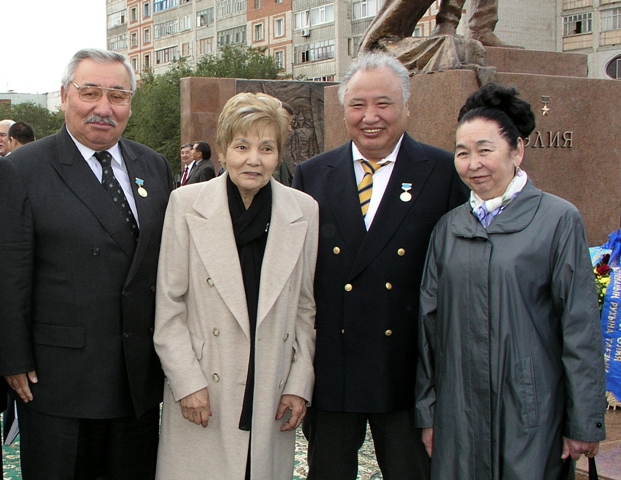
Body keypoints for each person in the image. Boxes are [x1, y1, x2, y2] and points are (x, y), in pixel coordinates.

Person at [415, 83, 606, 479]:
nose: (473, 163)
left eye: (485, 150)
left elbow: (580, 326)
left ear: (516, 150)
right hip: (459, 414)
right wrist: (427, 412)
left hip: (532, 411)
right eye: (463, 153)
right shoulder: (449, 229)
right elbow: (428, 330)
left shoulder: (557, 220)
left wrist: (584, 421)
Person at [292, 51, 467, 480]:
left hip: (406, 372)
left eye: (384, 103)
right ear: (344, 109)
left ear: (407, 107)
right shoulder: (311, 175)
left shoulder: (443, 173)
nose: (371, 116)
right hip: (334, 370)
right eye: (358, 105)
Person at [0, 48, 173, 480]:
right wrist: (12, 356)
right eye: (90, 92)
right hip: (59, 379)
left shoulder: (152, 166)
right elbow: (8, 271)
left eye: (118, 95)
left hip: (136, 376)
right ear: (63, 96)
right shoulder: (22, 169)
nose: (103, 108)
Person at [153, 92, 318, 480]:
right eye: (242, 146)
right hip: (205, 389)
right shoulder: (186, 204)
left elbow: (306, 309)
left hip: (271, 388)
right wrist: (186, 382)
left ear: (279, 154)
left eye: (266, 147)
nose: (254, 159)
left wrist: (299, 382)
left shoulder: (303, 210)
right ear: (224, 151)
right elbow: (169, 304)